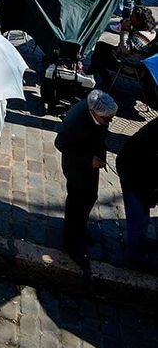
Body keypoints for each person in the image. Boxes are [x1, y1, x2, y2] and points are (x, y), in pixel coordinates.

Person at [54, 89, 117, 266]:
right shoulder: (74, 121)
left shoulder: (98, 115)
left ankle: (80, 227)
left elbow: (99, 133)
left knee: (90, 196)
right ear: (93, 112)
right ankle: (71, 243)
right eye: (106, 119)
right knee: (76, 202)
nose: (109, 122)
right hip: (77, 168)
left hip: (91, 164)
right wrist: (90, 160)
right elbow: (60, 144)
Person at [116, 117, 158, 268]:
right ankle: (136, 257)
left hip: (142, 173)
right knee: (137, 216)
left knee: (143, 214)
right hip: (134, 175)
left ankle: (141, 242)